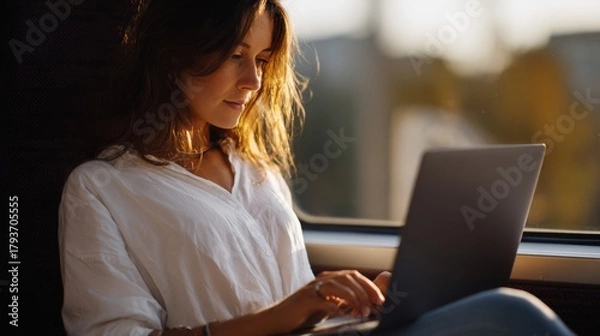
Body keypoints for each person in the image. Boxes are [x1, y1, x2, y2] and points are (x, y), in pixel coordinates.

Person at [58, 1, 576, 335]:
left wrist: (353, 303)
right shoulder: (101, 189)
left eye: (261, 60)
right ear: (175, 56)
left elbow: (298, 302)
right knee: (511, 315)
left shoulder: (256, 172)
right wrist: (282, 316)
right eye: (235, 55)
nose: (253, 82)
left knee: (503, 312)